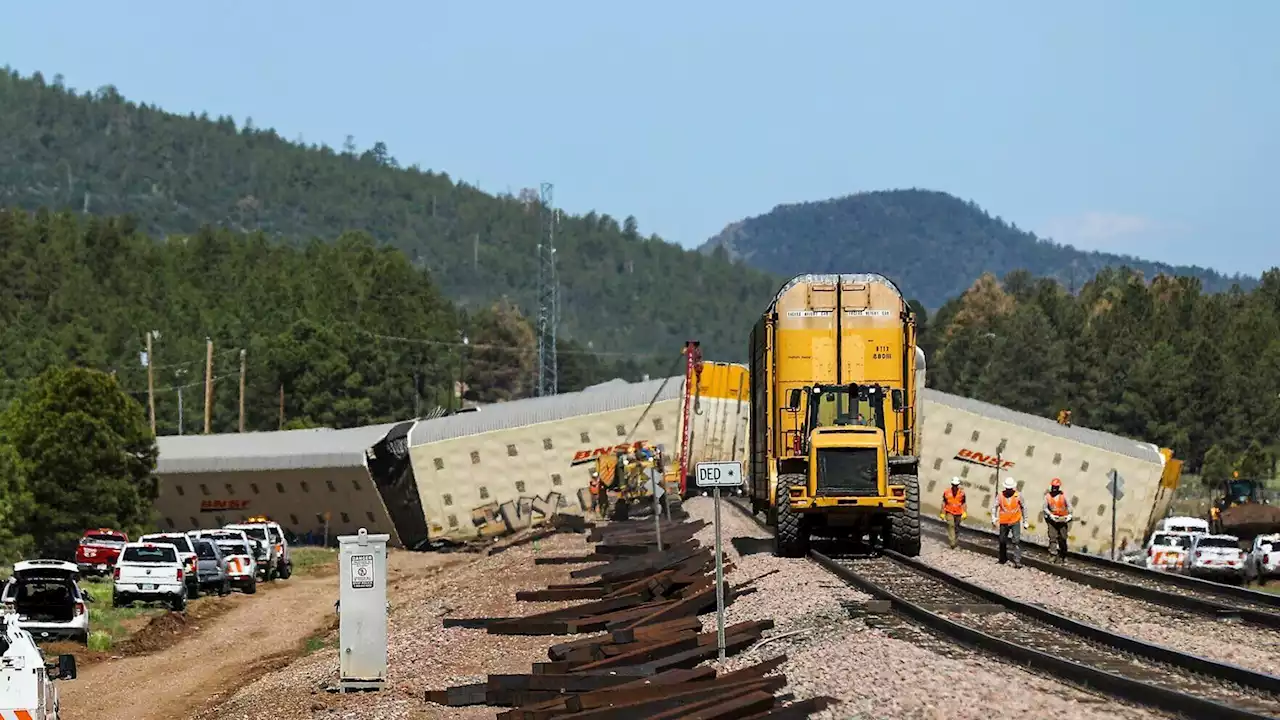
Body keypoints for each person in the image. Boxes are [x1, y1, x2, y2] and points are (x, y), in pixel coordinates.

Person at [990, 476, 1028, 568]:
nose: (1009, 490)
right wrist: (993, 517)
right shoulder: (1000, 496)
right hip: (1004, 521)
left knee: (1016, 541)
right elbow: (994, 506)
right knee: (1002, 540)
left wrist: (1025, 520)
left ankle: (1017, 560)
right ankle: (1002, 558)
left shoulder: (1018, 496)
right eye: (1008, 488)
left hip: (1015, 521)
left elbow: (1024, 507)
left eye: (1010, 488)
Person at [1043, 477, 1073, 562]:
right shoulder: (1048, 497)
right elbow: (1044, 508)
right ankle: (1053, 554)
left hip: (1062, 519)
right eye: (1053, 487)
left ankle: (1063, 554)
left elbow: (1069, 506)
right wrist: (1050, 515)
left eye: (1056, 487)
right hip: (1052, 520)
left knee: (1063, 537)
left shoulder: (1063, 496)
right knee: (1052, 537)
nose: (1054, 489)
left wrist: (1069, 515)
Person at [938, 477, 967, 549]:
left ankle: (955, 541)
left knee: (956, 528)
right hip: (949, 512)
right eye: (954, 485)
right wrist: (942, 512)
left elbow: (963, 503)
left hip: (958, 513)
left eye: (956, 485)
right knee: (951, 525)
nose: (955, 486)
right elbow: (944, 502)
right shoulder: (946, 492)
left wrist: (964, 512)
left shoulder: (962, 493)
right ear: (952, 484)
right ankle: (952, 543)